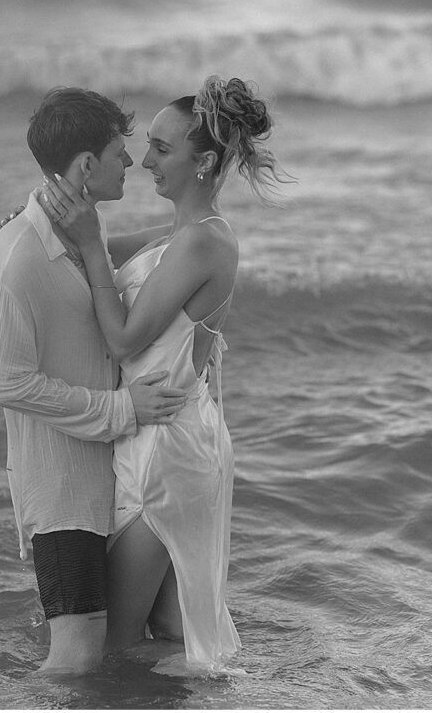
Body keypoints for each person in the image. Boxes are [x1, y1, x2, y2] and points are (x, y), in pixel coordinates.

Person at [40, 76, 292, 673]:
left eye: (160, 148)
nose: (142, 159)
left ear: (202, 162)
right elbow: (88, 248)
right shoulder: (185, 234)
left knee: (118, 640)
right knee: (170, 626)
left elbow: (125, 337)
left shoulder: (203, 245)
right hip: (160, 436)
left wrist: (92, 246)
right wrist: (41, 226)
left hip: (165, 453)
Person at [0, 87, 190, 676]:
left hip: (103, 478)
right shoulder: (18, 256)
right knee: (75, 655)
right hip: (62, 493)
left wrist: (198, 223)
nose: (132, 163)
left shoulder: (69, 234)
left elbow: (142, 250)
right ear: (85, 166)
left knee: (136, 640)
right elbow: (7, 382)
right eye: (121, 153)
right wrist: (123, 409)